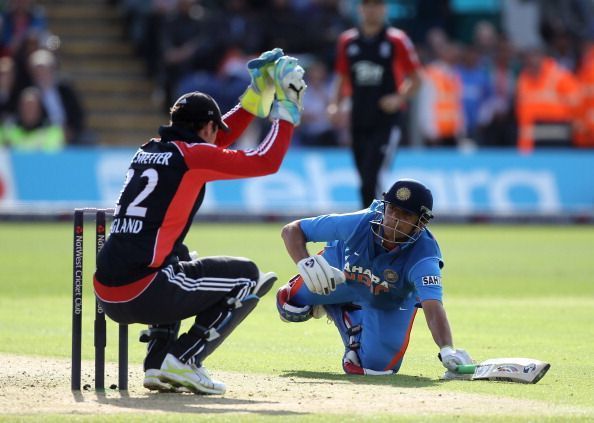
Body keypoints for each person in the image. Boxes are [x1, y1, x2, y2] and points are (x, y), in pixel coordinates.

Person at [93, 49, 307, 395]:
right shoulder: (193, 157)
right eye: (214, 128)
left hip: (106, 290)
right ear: (206, 127)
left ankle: (157, 366)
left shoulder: (148, 149)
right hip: (145, 290)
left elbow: (216, 140)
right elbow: (266, 161)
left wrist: (258, 94)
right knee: (247, 276)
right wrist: (287, 107)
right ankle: (184, 360)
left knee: (181, 256)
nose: (217, 135)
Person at [276, 179, 473, 378]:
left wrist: (446, 349)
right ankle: (335, 304)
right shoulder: (359, 222)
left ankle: (346, 315)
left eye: (406, 214)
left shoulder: (424, 256)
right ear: (385, 207)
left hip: (386, 300)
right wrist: (306, 263)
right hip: (339, 277)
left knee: (377, 368)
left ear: (421, 222)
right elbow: (291, 230)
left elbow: (433, 307)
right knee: (289, 305)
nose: (395, 219)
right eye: (393, 209)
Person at [327, 0, 422, 208]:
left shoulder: (397, 40)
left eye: (377, 5)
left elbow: (416, 78)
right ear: (360, 9)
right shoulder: (348, 41)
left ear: (384, 9)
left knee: (373, 177)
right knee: (363, 179)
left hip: (386, 121)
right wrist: (335, 105)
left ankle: (376, 228)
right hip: (359, 117)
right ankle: (369, 227)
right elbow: (341, 77)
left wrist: (398, 98)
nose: (372, 10)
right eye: (367, 5)